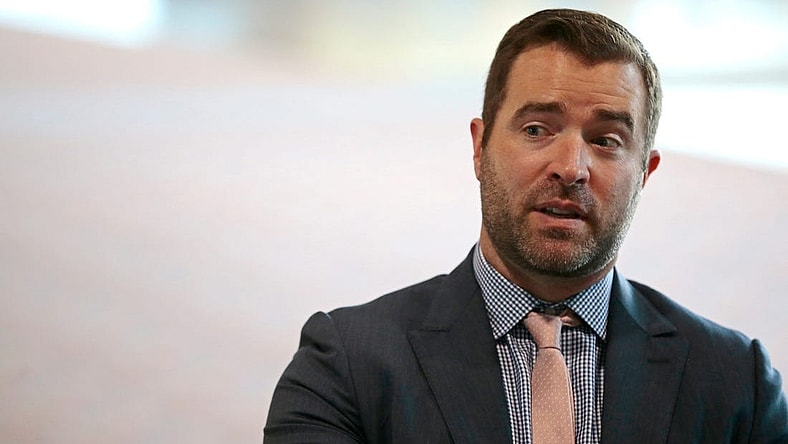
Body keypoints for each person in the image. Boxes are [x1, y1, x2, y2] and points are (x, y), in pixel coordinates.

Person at [264, 8, 788, 443]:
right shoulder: (347, 365)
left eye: (606, 140)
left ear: (645, 173)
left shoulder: (737, 383)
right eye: (538, 129)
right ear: (480, 146)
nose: (571, 167)